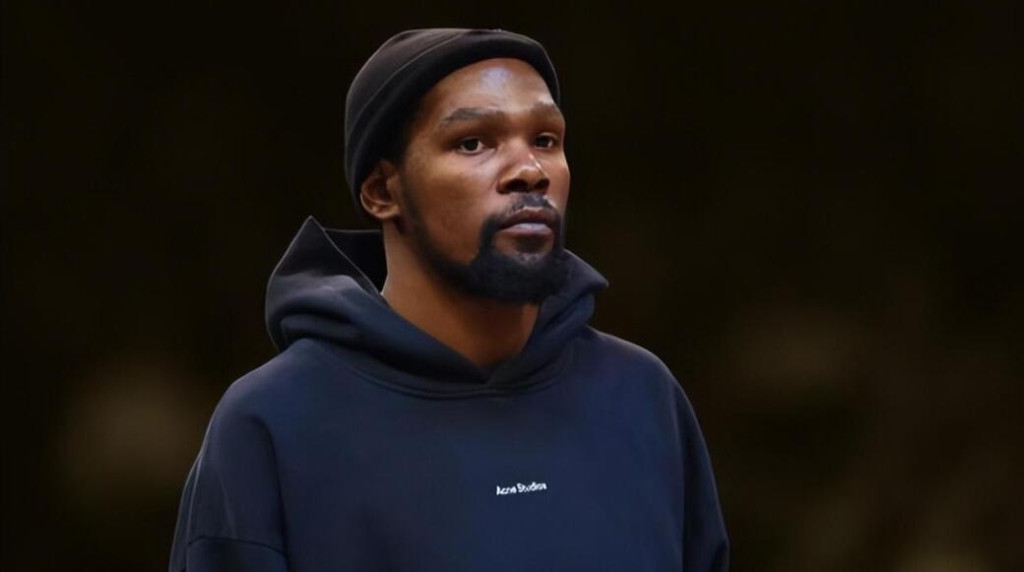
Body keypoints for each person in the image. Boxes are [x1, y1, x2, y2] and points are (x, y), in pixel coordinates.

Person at [169, 28, 729, 571]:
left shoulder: (640, 395)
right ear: (381, 191)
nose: (530, 172)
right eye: (473, 142)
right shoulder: (273, 421)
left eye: (545, 140)